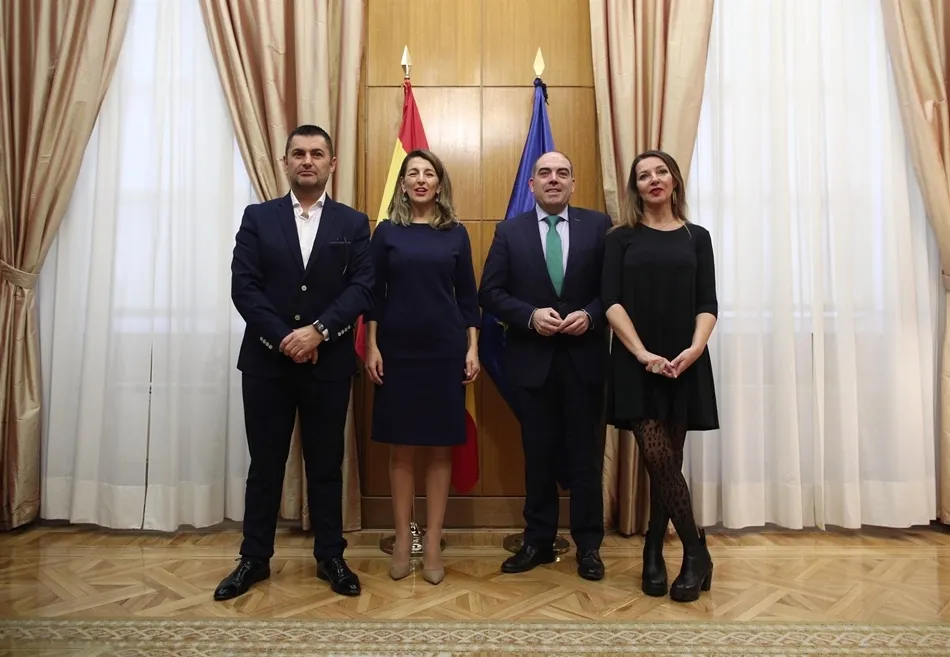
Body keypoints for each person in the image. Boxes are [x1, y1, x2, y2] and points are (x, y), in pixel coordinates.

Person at [216, 124, 373, 601]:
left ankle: (331, 556)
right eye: (299, 153)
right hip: (267, 364)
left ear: (332, 164)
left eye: (317, 153)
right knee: (265, 465)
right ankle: (253, 558)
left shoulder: (353, 223)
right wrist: (286, 337)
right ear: (285, 162)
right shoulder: (257, 217)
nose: (308, 161)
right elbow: (244, 286)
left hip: (329, 364)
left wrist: (319, 331)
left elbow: (362, 287)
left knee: (326, 465)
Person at [478, 151, 610, 581]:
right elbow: (490, 293)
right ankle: (537, 540)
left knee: (586, 459)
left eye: (562, 173)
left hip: (585, 361)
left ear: (573, 183)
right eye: (545, 173)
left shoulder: (598, 226)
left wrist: (590, 315)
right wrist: (529, 315)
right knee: (538, 457)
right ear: (531, 184)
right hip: (531, 362)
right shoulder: (510, 231)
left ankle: (589, 547)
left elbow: (613, 288)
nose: (554, 179)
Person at [600, 150, 719, 603]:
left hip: (685, 360)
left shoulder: (697, 237)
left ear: (674, 180)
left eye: (660, 172)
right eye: (643, 175)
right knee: (658, 455)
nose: (653, 179)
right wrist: (642, 354)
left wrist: (695, 349)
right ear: (635, 187)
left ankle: (653, 548)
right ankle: (695, 551)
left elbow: (707, 302)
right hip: (637, 360)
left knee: (668, 461)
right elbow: (611, 302)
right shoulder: (621, 238)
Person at [364, 149, 481, 586]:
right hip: (397, 350)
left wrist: (472, 348)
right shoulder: (386, 232)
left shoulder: (456, 233)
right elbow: (373, 295)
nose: (420, 179)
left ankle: (432, 542)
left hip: (444, 350)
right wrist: (372, 346)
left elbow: (468, 297)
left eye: (428, 173)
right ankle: (402, 539)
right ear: (402, 183)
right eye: (412, 173)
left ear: (438, 183)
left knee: (440, 447)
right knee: (402, 448)